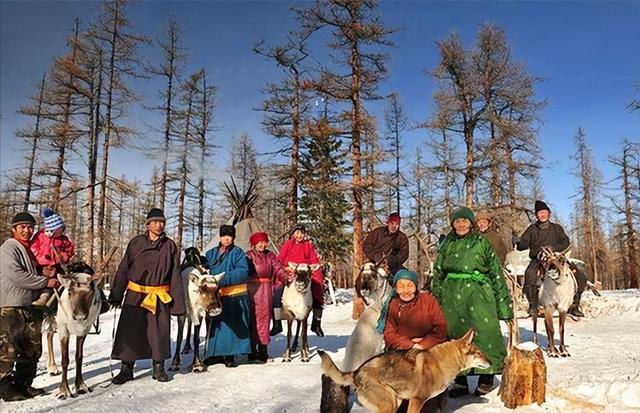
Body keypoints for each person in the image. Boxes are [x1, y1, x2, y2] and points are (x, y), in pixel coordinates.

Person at [432, 207, 513, 397]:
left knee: (485, 332)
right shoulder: (447, 245)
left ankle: (486, 377)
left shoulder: (482, 243)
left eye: (465, 221)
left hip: (479, 294)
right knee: (456, 336)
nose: (461, 224)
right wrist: (436, 300)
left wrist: (504, 306)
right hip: (452, 296)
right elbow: (437, 273)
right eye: (457, 221)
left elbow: (495, 273)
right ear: (452, 224)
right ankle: (459, 380)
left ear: (471, 223)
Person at [108, 208, 185, 384]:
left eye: (162, 222)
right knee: (130, 331)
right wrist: (116, 294)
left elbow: (175, 274)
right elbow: (123, 268)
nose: (159, 225)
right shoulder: (136, 243)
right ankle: (126, 368)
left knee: (159, 331)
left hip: (159, 295)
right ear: (148, 224)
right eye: (156, 222)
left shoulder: (170, 246)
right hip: (136, 294)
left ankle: (158, 367)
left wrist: (178, 304)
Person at [1, 212, 57, 401]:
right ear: (14, 229)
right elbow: (16, 276)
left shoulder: (31, 249)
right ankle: (5, 387)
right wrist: (46, 281)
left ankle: (23, 384)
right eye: (22, 227)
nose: (27, 230)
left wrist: (44, 271)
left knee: (32, 348)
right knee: (8, 347)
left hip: (31, 306)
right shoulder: (8, 248)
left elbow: (34, 270)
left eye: (30, 227)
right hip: (11, 305)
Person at [203, 224, 251, 368]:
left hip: (234, 294)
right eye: (224, 236)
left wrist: (222, 278)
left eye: (229, 236)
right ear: (220, 236)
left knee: (230, 327)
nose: (227, 239)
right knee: (216, 325)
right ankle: (214, 354)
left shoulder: (238, 253)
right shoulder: (211, 253)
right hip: (215, 295)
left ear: (233, 237)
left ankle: (229, 355)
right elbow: (205, 269)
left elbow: (243, 271)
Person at [516, 200, 571, 317]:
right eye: (540, 213)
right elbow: (523, 244)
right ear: (536, 215)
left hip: (556, 257)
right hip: (538, 259)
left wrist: (554, 248)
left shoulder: (556, 228)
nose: (542, 215)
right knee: (530, 274)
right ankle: (533, 305)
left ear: (549, 214)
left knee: (578, 274)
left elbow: (566, 242)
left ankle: (574, 304)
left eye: (545, 212)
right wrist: (518, 243)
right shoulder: (532, 229)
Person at [277, 223, 325, 337]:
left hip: (306, 271)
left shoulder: (308, 245)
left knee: (317, 285)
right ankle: (277, 322)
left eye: (302, 233)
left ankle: (316, 322)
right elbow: (280, 260)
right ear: (293, 234)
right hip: (291, 270)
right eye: (297, 233)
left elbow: (314, 260)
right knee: (277, 291)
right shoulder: (288, 245)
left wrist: (313, 268)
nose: (300, 235)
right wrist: (286, 268)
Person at [246, 231, 287, 363]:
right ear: (254, 244)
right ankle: (251, 349)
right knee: (251, 318)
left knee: (264, 319)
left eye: (264, 242)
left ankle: (263, 348)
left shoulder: (270, 256)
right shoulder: (248, 256)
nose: (263, 245)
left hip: (265, 290)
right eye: (260, 242)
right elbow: (243, 270)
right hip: (251, 289)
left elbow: (278, 270)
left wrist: (286, 278)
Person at [29, 207, 75, 306]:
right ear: (51, 230)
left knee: (59, 278)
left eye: (61, 230)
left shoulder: (63, 239)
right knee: (42, 279)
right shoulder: (40, 236)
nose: (60, 233)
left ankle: (53, 295)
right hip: (42, 266)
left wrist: (63, 256)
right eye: (57, 231)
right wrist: (41, 257)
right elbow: (33, 247)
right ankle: (43, 296)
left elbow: (70, 250)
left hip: (57, 266)